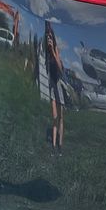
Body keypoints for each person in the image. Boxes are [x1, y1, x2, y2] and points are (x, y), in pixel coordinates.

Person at [45, 23, 65, 152]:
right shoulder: (46, 52)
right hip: (52, 85)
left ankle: (60, 144)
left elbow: (60, 69)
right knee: (54, 117)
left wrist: (53, 50)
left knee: (61, 117)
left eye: (51, 37)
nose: (49, 40)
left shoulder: (55, 50)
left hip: (58, 84)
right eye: (47, 37)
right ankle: (53, 146)